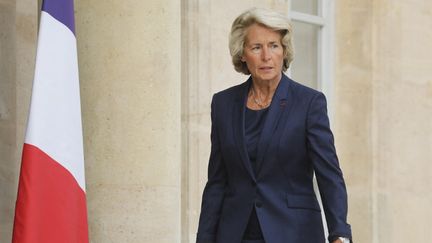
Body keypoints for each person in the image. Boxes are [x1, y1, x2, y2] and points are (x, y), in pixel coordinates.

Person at [196, 8, 352, 243]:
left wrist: (339, 232)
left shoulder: (309, 102)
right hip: (234, 234)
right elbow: (217, 181)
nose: (266, 56)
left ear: (284, 51)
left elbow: (329, 174)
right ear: (242, 54)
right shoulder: (223, 104)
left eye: (274, 46)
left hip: (294, 232)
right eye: (256, 47)